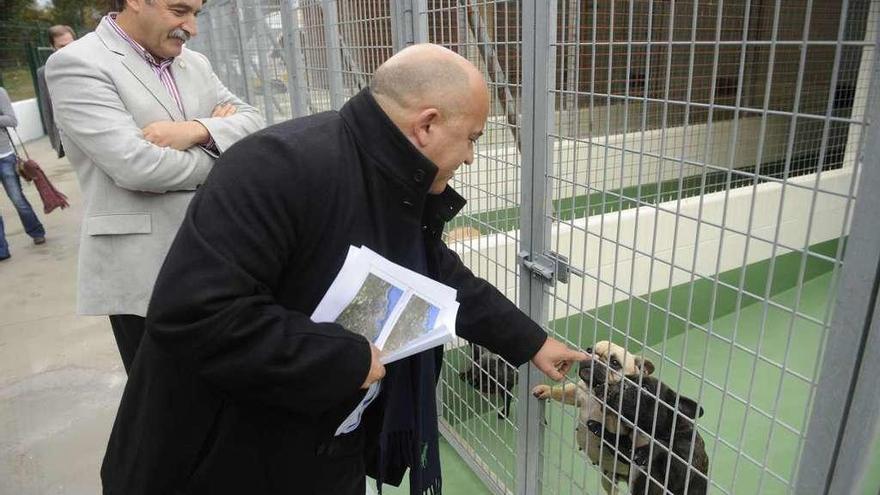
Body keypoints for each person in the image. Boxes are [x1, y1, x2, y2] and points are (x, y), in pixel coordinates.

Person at [100, 43, 588, 495]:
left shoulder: (390, 183)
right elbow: (196, 314)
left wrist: (532, 342)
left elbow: (435, 274)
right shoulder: (275, 167)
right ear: (427, 125)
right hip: (218, 460)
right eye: (471, 138)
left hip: (324, 445)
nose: (470, 156)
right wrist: (345, 360)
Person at [45, 0, 264, 374]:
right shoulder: (77, 64)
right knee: (166, 412)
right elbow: (137, 166)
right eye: (179, 11)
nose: (191, 28)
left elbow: (255, 122)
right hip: (147, 274)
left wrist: (195, 130)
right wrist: (225, 153)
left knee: (228, 401)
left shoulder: (194, 62)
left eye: (196, 14)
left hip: (223, 258)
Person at [0, 86, 47, 261]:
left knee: (18, 200)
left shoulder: (0, 92)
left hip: (4, 156)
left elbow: (12, 120)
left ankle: (36, 231)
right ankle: (1, 250)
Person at [36, 25, 77, 159]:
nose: (69, 49)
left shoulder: (92, 63)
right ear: (52, 47)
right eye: (62, 46)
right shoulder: (44, 73)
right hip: (68, 137)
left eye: (71, 44)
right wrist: (55, 142)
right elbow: (46, 108)